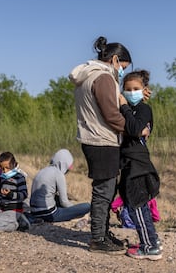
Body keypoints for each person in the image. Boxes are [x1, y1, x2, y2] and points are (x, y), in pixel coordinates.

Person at [69, 36, 137, 255]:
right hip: (102, 140)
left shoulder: (87, 76)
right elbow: (111, 115)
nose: (121, 72)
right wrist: (133, 128)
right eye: (123, 67)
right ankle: (98, 238)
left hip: (92, 138)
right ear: (115, 59)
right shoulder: (104, 77)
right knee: (104, 191)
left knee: (104, 189)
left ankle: (103, 233)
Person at [118, 70, 162, 260]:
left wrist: (125, 107)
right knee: (139, 205)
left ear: (144, 90)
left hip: (137, 164)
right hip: (130, 162)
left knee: (136, 206)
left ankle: (149, 247)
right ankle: (151, 239)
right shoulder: (131, 110)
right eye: (127, 89)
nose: (131, 92)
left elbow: (135, 129)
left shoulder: (143, 109)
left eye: (136, 89)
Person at [29, 149, 90, 223]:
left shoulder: (42, 171)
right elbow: (64, 202)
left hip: (34, 212)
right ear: (64, 164)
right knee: (87, 206)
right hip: (49, 214)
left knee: (56, 198)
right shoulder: (58, 174)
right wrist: (74, 208)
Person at [0, 152, 30, 233]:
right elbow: (1, 197)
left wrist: (11, 194)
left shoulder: (19, 178)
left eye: (7, 168)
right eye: (2, 168)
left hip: (13, 210)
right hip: (2, 210)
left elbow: (24, 195)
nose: (5, 171)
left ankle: (16, 224)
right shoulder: (3, 179)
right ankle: (17, 220)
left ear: (14, 165)